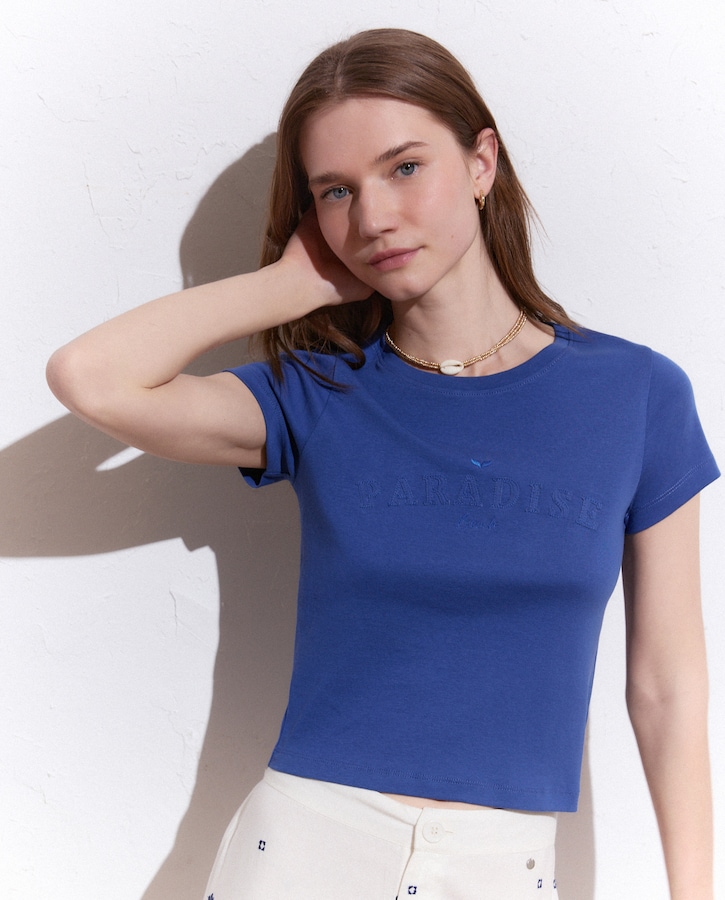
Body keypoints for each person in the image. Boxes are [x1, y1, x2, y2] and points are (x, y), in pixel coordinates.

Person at [46, 28, 718, 900]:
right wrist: (288, 288)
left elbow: (667, 686)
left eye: (403, 167)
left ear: (481, 163)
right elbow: (89, 378)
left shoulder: (636, 395)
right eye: (336, 191)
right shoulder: (318, 394)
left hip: (502, 867)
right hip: (301, 853)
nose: (372, 219)